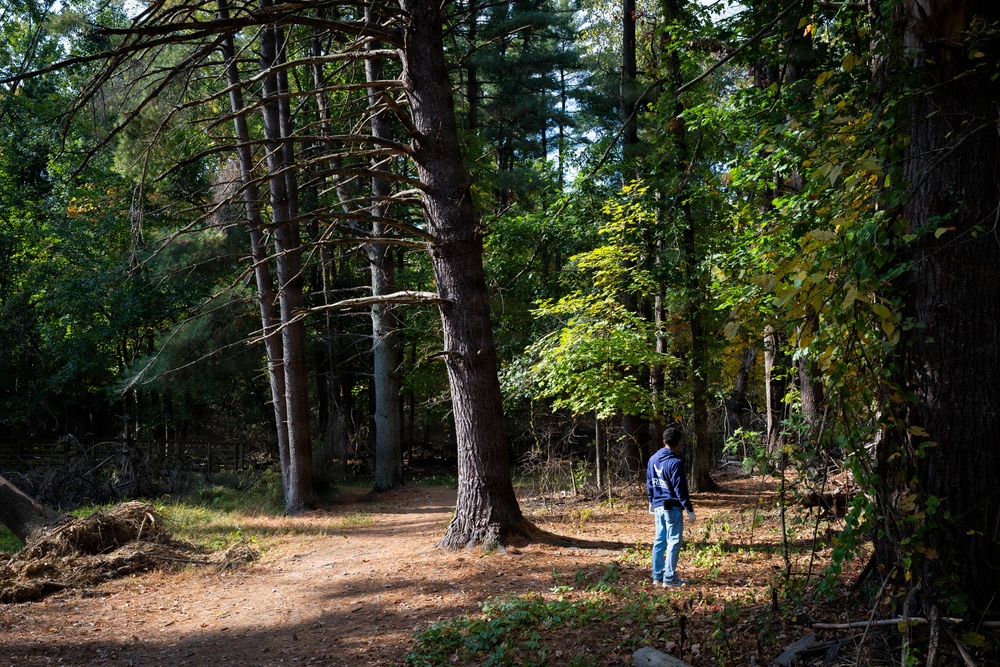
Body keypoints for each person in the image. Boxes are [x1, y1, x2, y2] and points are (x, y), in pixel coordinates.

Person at [646, 425, 696, 587]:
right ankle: (670, 578)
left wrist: (651, 501)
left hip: (659, 505)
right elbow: (680, 489)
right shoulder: (675, 463)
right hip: (672, 506)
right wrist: (689, 509)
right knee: (674, 540)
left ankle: (657, 576)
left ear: (664, 441)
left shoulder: (652, 459)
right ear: (678, 443)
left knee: (660, 540)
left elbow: (649, 483)